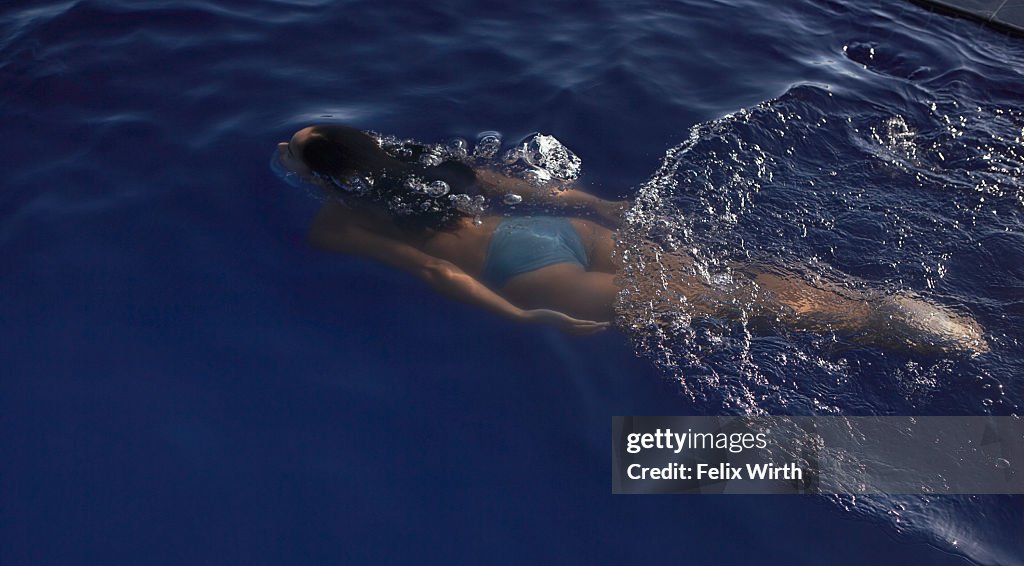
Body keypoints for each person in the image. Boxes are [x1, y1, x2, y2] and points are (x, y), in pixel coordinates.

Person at [274, 124, 988, 352]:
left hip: (517, 269)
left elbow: (435, 276)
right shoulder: (427, 160)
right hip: (552, 229)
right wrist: (608, 207)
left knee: (717, 305)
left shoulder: (338, 221)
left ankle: (884, 328)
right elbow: (542, 190)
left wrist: (522, 314)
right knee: (736, 280)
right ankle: (887, 307)